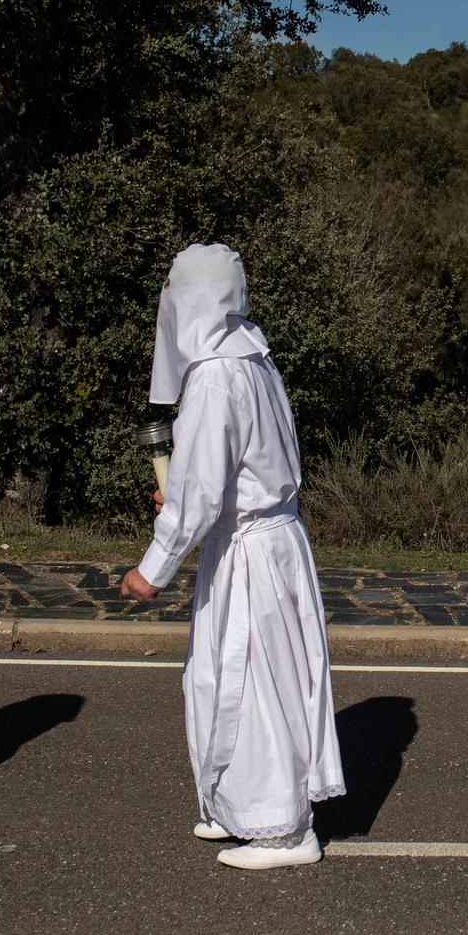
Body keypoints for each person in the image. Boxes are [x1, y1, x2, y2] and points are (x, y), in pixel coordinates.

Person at [120, 244, 344, 870]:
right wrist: (195, 495)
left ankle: (283, 830)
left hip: (251, 549)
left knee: (252, 684)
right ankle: (238, 804)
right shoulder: (252, 353)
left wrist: (152, 569)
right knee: (229, 676)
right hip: (266, 539)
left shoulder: (219, 372)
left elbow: (195, 494)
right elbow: (225, 472)